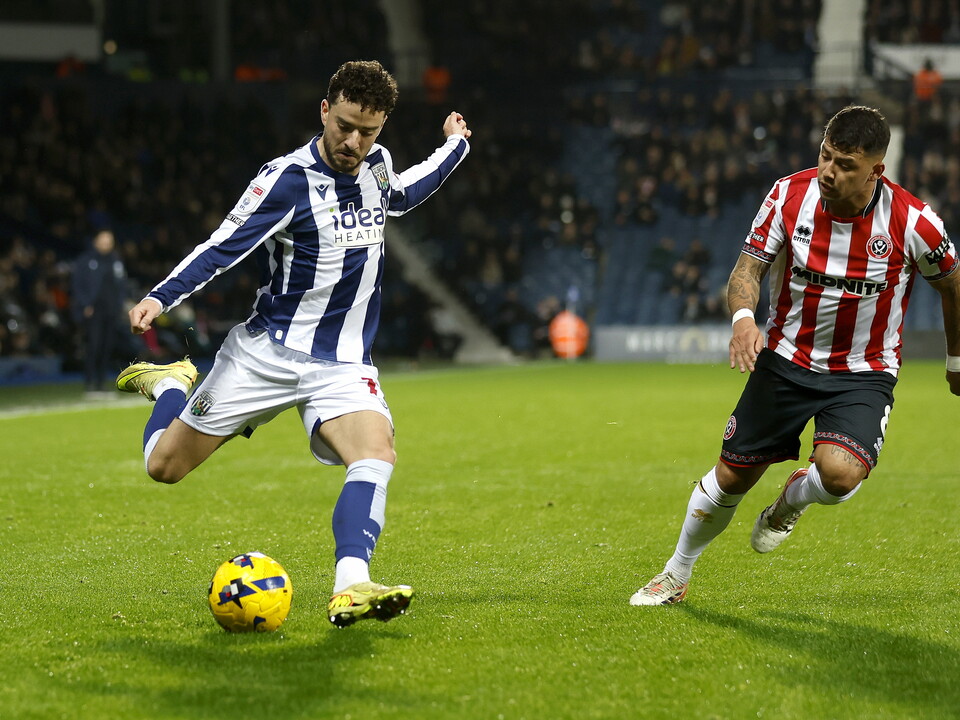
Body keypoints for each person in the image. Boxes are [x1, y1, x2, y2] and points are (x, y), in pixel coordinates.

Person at [115, 60, 471, 627]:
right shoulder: (284, 179)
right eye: (346, 126)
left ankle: (351, 584)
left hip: (343, 363)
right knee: (164, 467)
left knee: (375, 453)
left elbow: (401, 197)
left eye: (370, 131)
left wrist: (454, 147)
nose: (355, 142)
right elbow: (222, 246)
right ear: (325, 111)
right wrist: (161, 297)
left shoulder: (376, 165)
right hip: (266, 355)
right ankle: (169, 385)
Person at [631, 105, 960, 606]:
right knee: (731, 478)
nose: (829, 172)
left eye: (845, 164)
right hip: (786, 360)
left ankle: (790, 501)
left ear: (877, 171)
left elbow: (954, 286)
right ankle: (675, 575)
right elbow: (747, 272)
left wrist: (955, 358)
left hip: (863, 371)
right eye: (825, 156)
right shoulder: (789, 195)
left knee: (840, 475)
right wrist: (744, 321)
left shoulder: (914, 221)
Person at [72, 229, 127, 393]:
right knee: (93, 346)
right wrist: (85, 304)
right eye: (103, 239)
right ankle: (89, 382)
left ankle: (101, 382)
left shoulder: (116, 261)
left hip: (111, 311)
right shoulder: (86, 260)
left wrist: (120, 305)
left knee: (107, 347)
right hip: (94, 312)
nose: (106, 243)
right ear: (95, 241)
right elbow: (77, 285)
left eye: (109, 240)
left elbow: (122, 285)